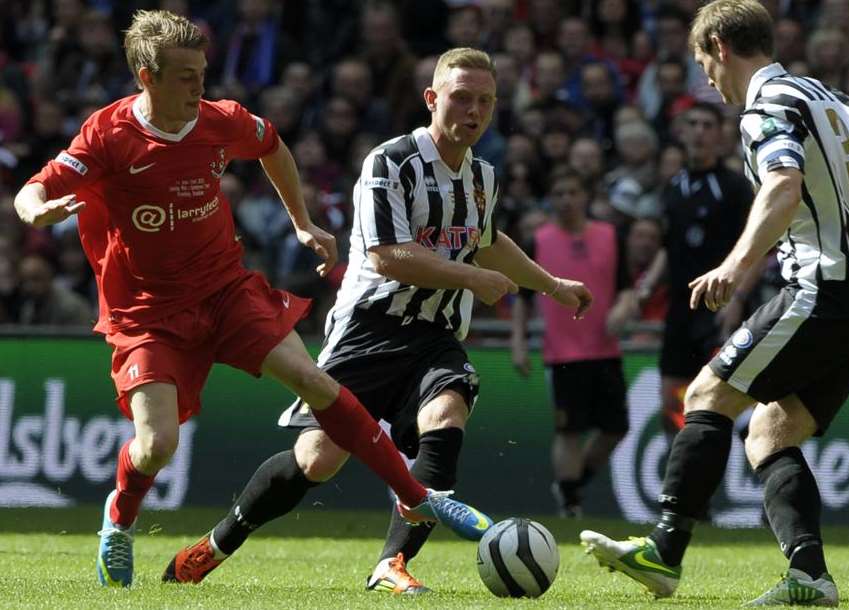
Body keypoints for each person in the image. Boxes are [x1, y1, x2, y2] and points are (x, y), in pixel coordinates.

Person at [13, 11, 492, 588]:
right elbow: (35, 186)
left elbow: (273, 146)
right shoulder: (109, 134)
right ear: (148, 77)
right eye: (187, 77)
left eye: (203, 74)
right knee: (157, 445)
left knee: (314, 381)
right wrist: (34, 209)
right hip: (148, 316)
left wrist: (303, 223)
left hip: (224, 291)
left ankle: (417, 497)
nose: (200, 87)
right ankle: (119, 520)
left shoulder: (220, 121)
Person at [161, 47, 592, 593]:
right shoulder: (392, 161)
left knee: (447, 415)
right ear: (432, 99)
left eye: (485, 100)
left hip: (436, 334)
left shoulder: (483, 175)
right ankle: (217, 543)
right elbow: (387, 256)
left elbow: (485, 242)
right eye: (462, 97)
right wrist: (470, 279)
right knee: (318, 460)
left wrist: (552, 285)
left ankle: (392, 564)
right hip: (371, 328)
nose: (474, 110)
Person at [580, 1, 849, 606]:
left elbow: (782, 185)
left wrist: (736, 264)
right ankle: (810, 578)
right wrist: (848, 226)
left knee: (705, 396)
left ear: (722, 46)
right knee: (769, 436)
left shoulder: (766, 107)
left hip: (822, 290)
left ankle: (664, 551)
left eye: (704, 63)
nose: (708, 79)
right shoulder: (829, 100)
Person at [617, 101, 757, 441]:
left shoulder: (735, 187)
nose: (699, 132)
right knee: (671, 402)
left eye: (707, 125)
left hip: (721, 306)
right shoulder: (674, 186)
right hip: (680, 308)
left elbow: (757, 250)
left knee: (724, 404)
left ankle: (761, 470)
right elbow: (669, 245)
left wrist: (737, 300)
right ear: (682, 132)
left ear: (721, 135)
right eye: (693, 124)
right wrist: (646, 287)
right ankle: (685, 482)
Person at [511, 166, 629, 518]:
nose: (566, 200)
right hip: (562, 353)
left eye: (572, 193)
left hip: (606, 349)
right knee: (569, 430)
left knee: (615, 429)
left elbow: (626, 287)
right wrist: (518, 342)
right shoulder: (539, 241)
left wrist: (623, 309)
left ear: (585, 197)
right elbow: (522, 298)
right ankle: (571, 503)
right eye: (558, 194)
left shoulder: (610, 235)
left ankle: (572, 485)